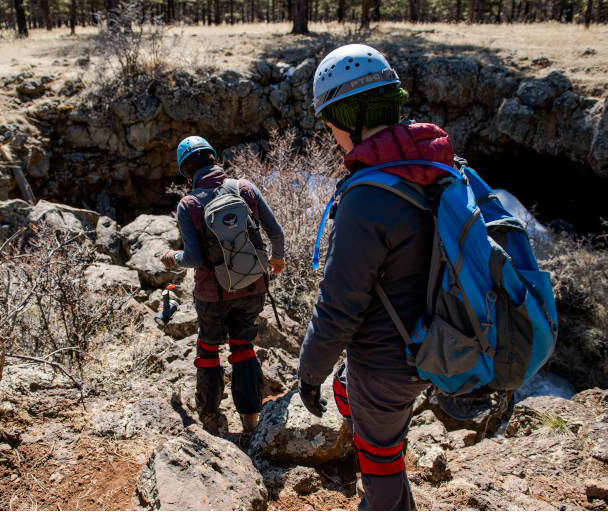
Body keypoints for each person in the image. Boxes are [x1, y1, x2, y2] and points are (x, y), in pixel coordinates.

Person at [296, 44, 456, 510]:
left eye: (330, 125)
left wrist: (309, 372)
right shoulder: (433, 164)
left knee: (380, 460)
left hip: (386, 361)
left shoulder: (367, 197)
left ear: (350, 119)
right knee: (364, 413)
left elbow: (339, 305)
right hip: (431, 337)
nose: (332, 138)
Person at [160, 136, 286, 433]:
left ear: (187, 172)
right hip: (253, 285)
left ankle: (209, 413)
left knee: (207, 349)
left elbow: (193, 258)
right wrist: (276, 261)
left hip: (212, 294)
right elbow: (276, 234)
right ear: (214, 159)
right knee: (243, 346)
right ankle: (250, 419)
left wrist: (171, 257)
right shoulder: (245, 188)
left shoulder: (188, 204)